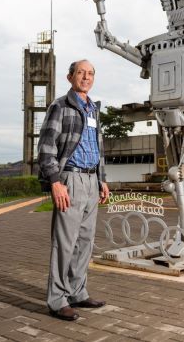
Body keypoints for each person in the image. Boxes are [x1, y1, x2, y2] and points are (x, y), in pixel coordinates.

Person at [38, 59, 110, 321]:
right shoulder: (60, 106)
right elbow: (46, 147)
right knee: (64, 243)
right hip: (70, 180)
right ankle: (57, 300)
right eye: (81, 72)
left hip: (91, 181)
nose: (86, 77)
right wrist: (55, 181)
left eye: (91, 73)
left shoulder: (93, 110)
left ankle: (77, 292)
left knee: (85, 242)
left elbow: (98, 149)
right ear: (70, 77)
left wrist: (102, 179)